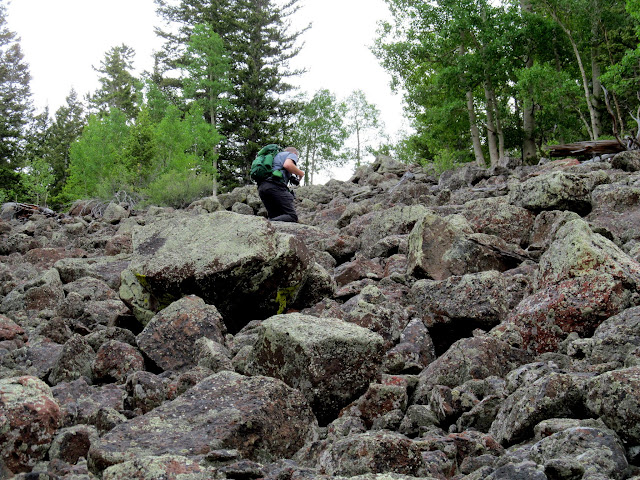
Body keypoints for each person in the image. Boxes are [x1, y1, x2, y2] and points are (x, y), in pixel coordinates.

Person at [257, 146, 305, 222]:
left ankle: (264, 226)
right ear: (295, 154)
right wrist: (301, 173)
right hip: (275, 186)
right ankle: (262, 224)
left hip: (262, 188)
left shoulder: (273, 158)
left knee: (276, 216)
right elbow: (288, 165)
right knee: (292, 216)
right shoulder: (291, 154)